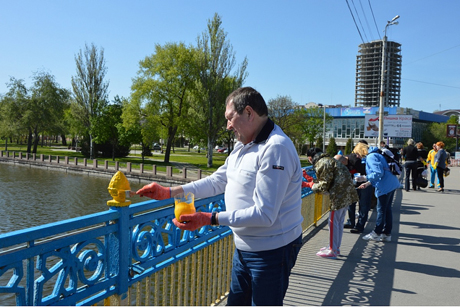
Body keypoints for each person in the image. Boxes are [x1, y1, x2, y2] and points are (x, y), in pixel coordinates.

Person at [136, 87, 303, 306]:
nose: (228, 126)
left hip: (272, 252)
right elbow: (217, 181)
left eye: (230, 118)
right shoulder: (243, 145)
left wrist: (210, 218)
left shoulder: (275, 148)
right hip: (244, 247)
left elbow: (265, 215)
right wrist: (169, 192)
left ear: (249, 113)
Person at [304, 148, 358, 259]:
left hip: (339, 196)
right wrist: (309, 179)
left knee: (333, 223)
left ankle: (333, 250)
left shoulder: (322, 163)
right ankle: (335, 247)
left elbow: (323, 185)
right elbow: (327, 180)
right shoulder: (328, 160)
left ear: (310, 158)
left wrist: (306, 184)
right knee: (338, 222)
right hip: (346, 194)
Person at [354, 144, 401, 242]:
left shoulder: (371, 157)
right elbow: (382, 171)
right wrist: (367, 183)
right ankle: (386, 233)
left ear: (361, 151)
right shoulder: (376, 154)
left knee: (381, 210)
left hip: (384, 186)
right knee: (387, 209)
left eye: (357, 154)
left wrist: (364, 178)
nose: (357, 156)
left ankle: (377, 233)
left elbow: (378, 173)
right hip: (391, 184)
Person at [337, 143, 375, 234]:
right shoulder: (354, 159)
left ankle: (358, 225)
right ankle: (354, 223)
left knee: (362, 205)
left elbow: (367, 172)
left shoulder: (361, 159)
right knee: (358, 204)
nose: (356, 155)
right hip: (357, 184)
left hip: (364, 183)